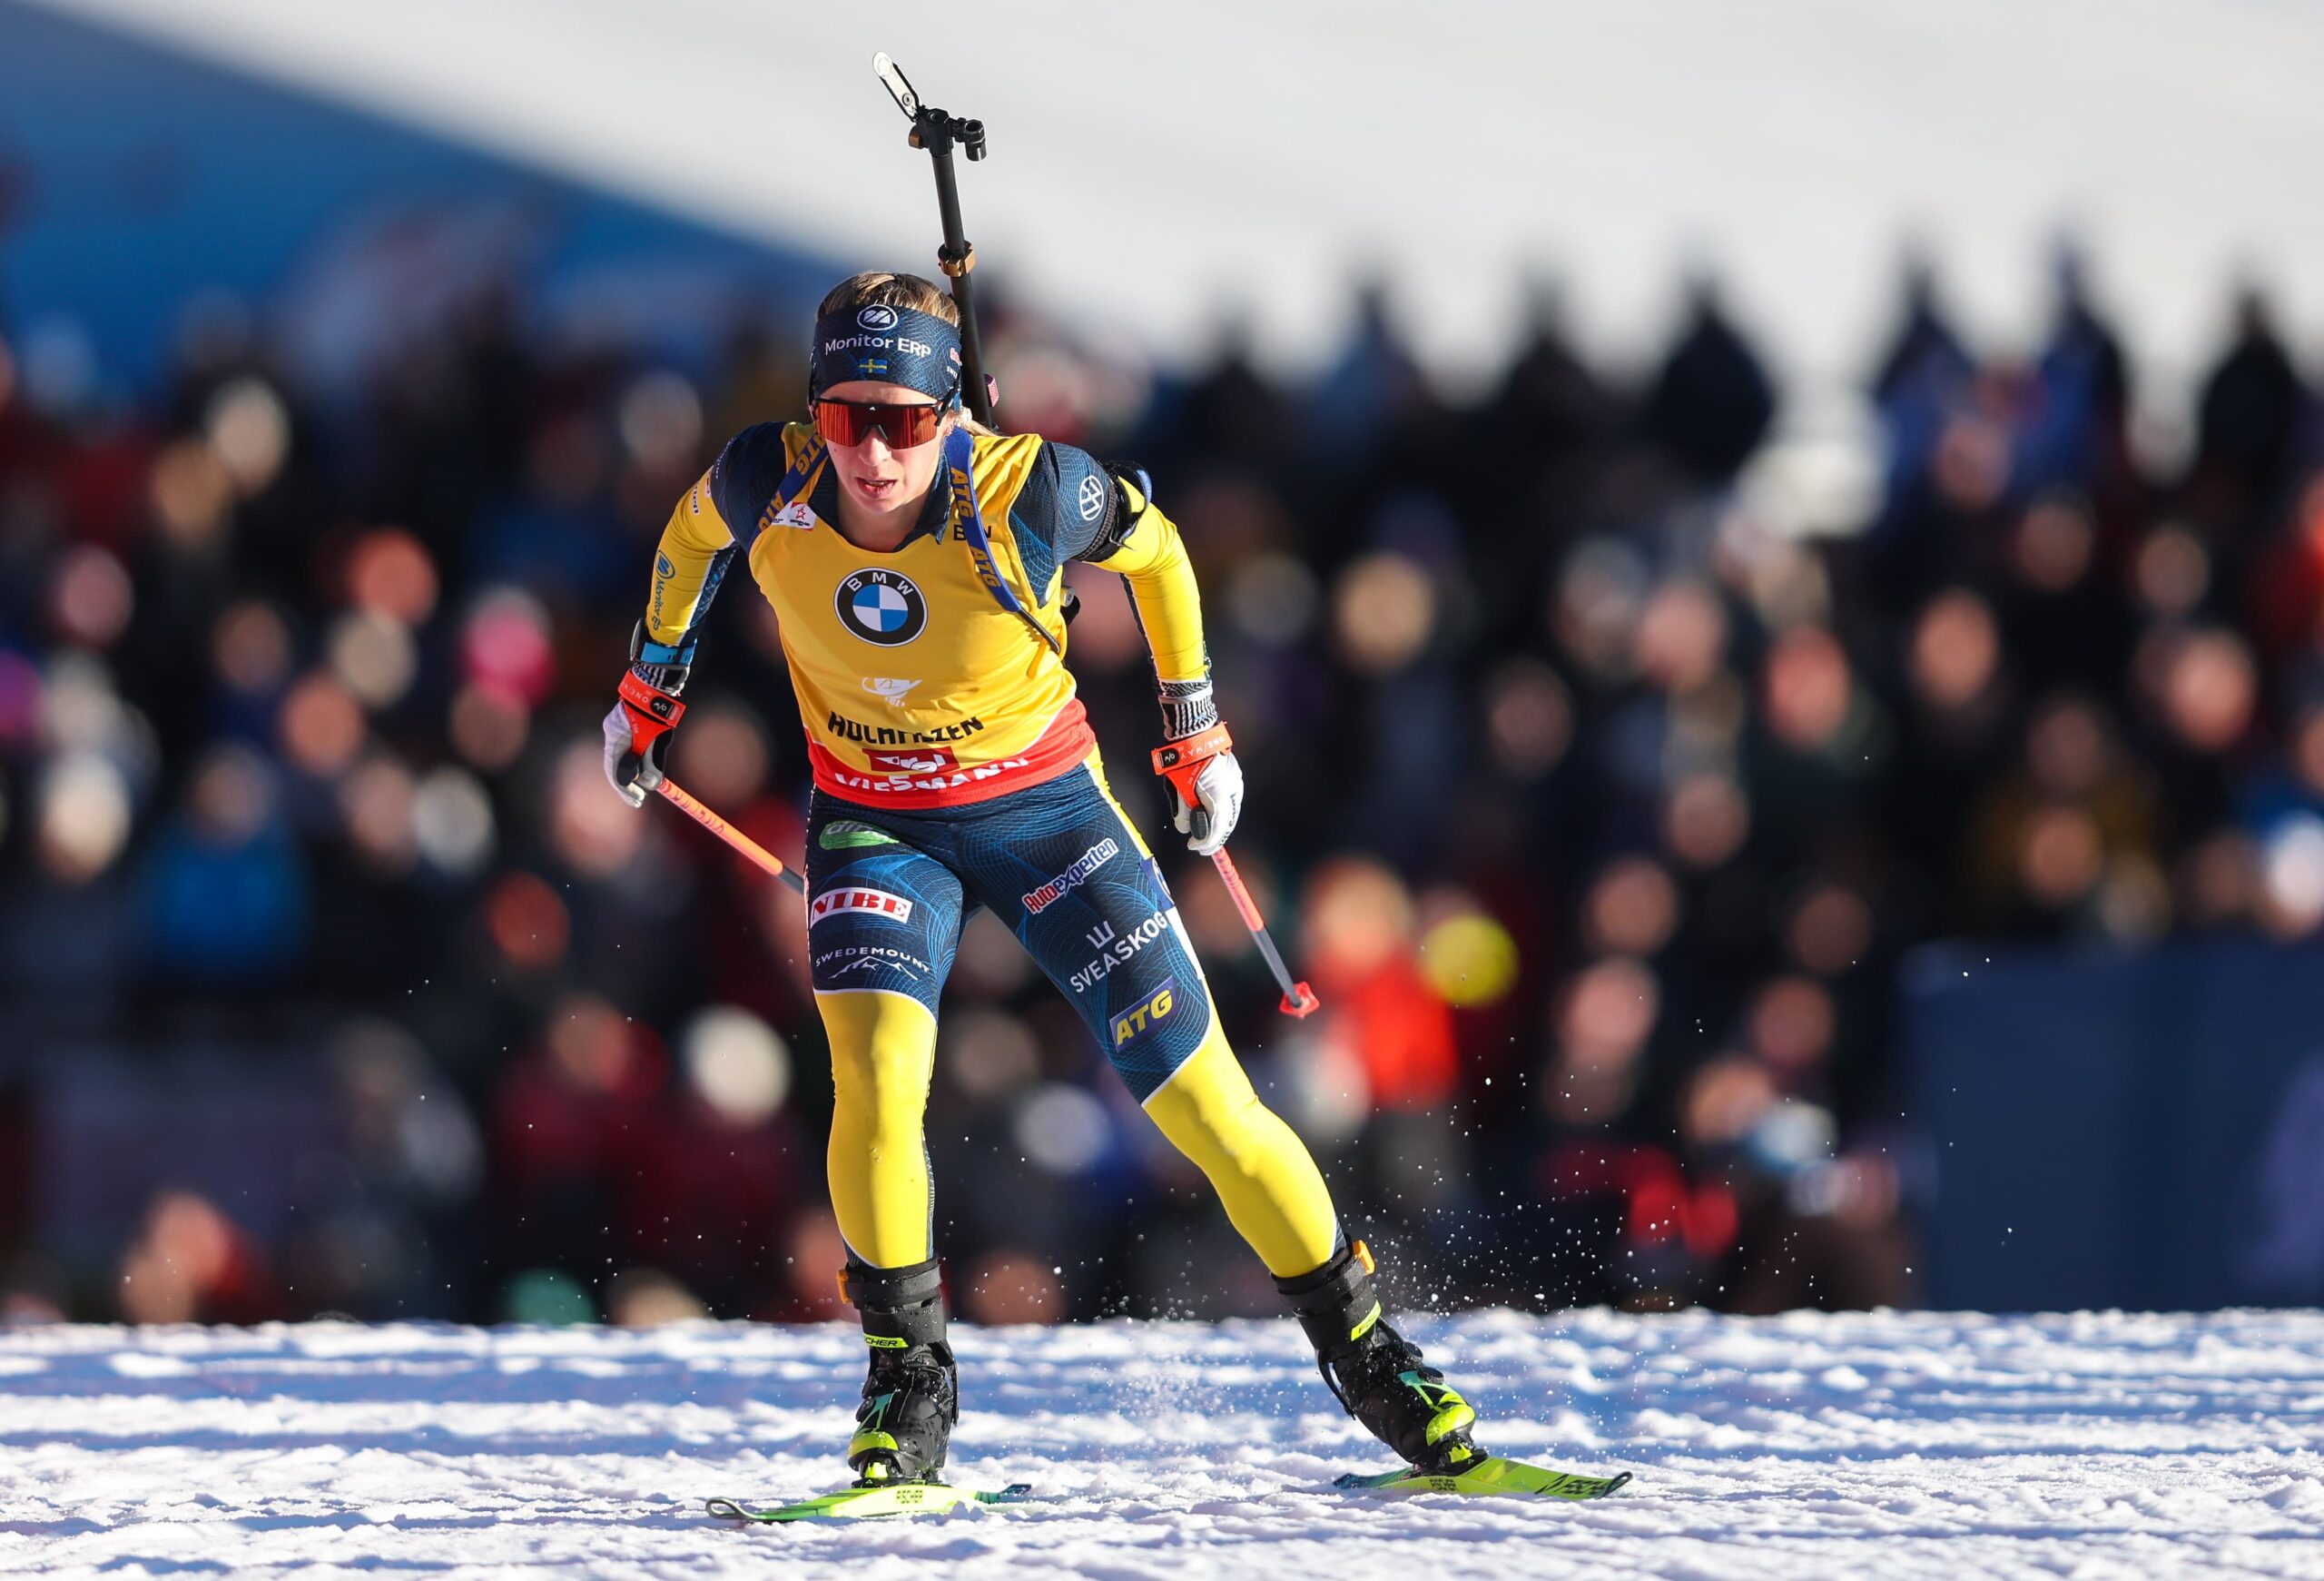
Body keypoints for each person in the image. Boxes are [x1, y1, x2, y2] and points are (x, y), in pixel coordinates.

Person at [602, 272, 1482, 1487]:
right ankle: (907, 1384)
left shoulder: (1027, 490)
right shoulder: (771, 476)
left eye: (905, 420)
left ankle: (1374, 1355)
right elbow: (690, 537)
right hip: (874, 818)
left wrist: (1196, 731)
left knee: (1203, 1104)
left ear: (949, 414)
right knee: (876, 1080)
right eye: (849, 417)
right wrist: (649, 690)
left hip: (1045, 811)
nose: (872, 453)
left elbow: (1165, 554)